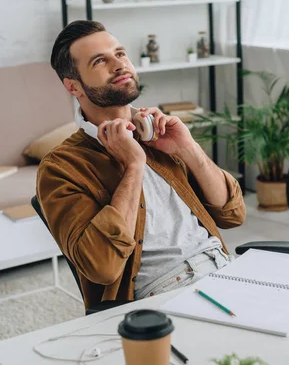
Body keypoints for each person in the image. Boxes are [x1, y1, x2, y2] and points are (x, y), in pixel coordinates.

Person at [38, 20, 246, 310]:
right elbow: (102, 267)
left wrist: (188, 148)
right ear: (73, 86)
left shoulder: (158, 133)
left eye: (120, 54)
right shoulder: (62, 167)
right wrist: (134, 165)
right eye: (100, 61)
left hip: (225, 266)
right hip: (163, 294)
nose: (119, 65)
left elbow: (233, 214)